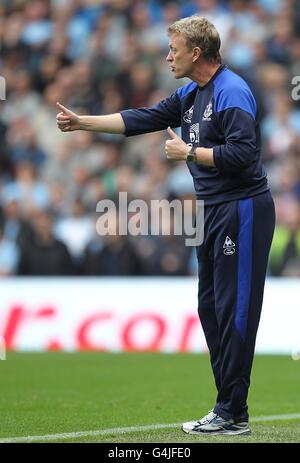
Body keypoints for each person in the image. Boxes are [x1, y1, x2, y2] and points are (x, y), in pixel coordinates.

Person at [56, 16, 275, 436]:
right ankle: (228, 408)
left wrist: (190, 152)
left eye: (173, 48)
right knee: (210, 309)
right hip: (209, 211)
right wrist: (84, 122)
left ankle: (232, 411)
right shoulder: (190, 94)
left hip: (243, 209)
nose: (166, 55)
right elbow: (141, 118)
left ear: (196, 52)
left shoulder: (232, 92)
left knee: (236, 310)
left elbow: (244, 156)